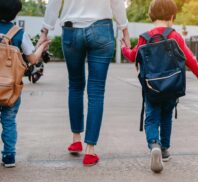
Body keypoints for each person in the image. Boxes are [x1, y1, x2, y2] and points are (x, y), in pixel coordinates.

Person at [38, 0, 129, 166]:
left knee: (75, 85)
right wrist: (125, 30)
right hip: (101, 29)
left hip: (71, 29)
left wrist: (44, 32)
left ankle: (76, 139)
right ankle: (90, 150)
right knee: (96, 90)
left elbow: (54, 3)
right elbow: (116, 3)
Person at [122, 0, 198, 172]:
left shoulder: (144, 38)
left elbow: (132, 56)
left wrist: (124, 48)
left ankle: (154, 145)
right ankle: (165, 149)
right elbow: (190, 59)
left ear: (151, 15)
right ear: (172, 16)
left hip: (151, 88)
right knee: (166, 116)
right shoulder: (175, 36)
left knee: (151, 118)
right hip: (172, 87)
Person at [0, 0, 50, 168]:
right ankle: (8, 156)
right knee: (8, 120)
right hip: (10, 87)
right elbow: (33, 59)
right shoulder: (18, 33)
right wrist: (41, 47)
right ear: (15, 14)